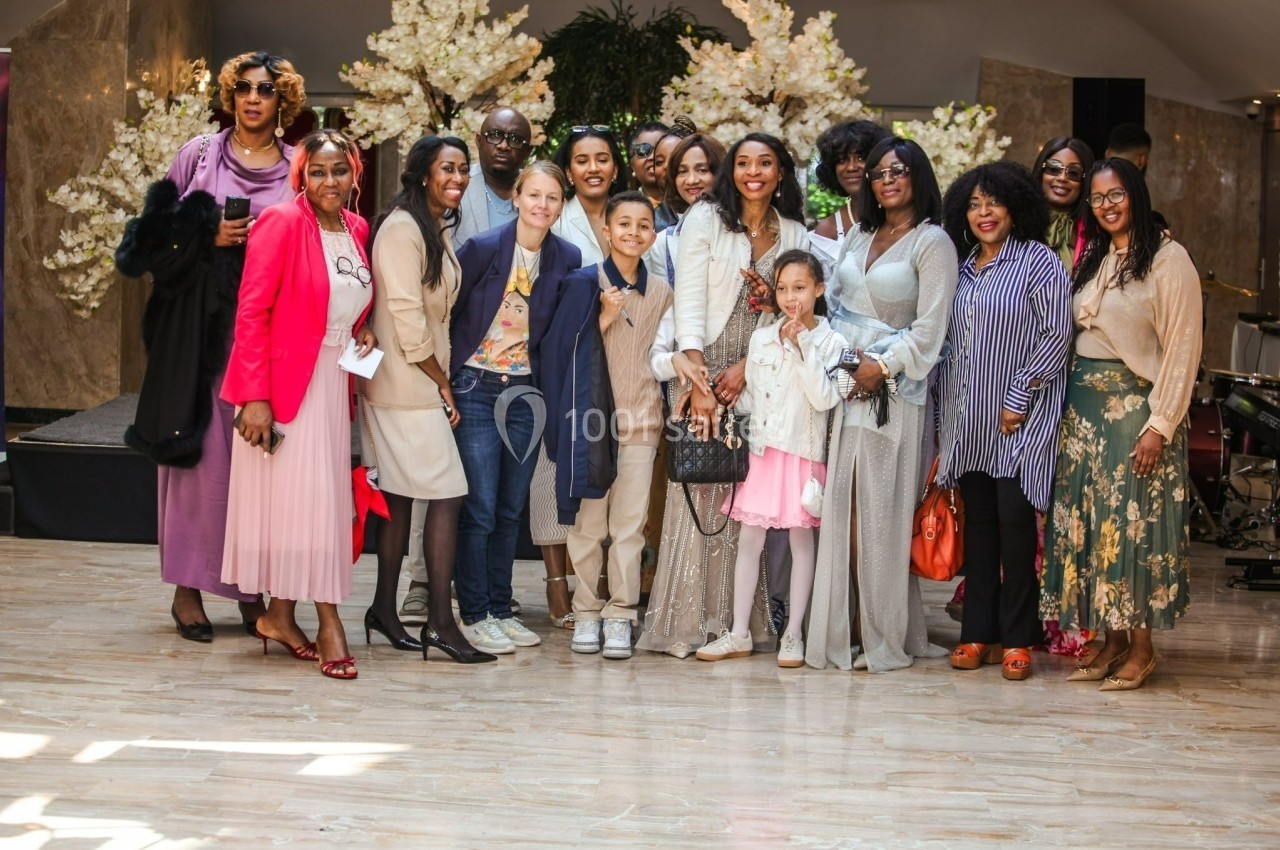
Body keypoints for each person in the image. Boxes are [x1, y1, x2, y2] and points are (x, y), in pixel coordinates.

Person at [118, 50, 304, 642]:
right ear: (230, 96)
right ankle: (188, 589)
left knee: (258, 465)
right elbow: (142, 243)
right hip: (199, 334)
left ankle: (250, 591)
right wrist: (206, 234)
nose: (253, 98)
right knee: (198, 463)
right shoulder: (198, 156)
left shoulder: (299, 167)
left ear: (283, 100)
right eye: (243, 88)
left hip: (270, 334)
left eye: (265, 89)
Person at [636, 132, 811, 659]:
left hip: (758, 372)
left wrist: (746, 370)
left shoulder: (793, 231)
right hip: (702, 363)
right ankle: (686, 622)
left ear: (781, 172)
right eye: (743, 163)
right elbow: (688, 300)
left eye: (765, 163)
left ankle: (737, 623)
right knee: (698, 484)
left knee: (743, 497)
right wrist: (699, 382)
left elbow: (792, 312)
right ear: (731, 170)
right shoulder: (706, 218)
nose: (753, 172)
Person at [220, 129, 376, 680]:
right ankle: (331, 623)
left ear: (355, 173)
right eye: (318, 171)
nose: (330, 181)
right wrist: (253, 397)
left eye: (340, 170)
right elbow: (251, 312)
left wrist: (362, 329)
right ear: (301, 176)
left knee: (314, 504)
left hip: (333, 383)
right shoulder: (281, 222)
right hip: (285, 390)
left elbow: (348, 298)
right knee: (311, 506)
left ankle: (279, 617)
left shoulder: (356, 227)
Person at [1040, 158, 1201, 691]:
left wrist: (1161, 423)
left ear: (1136, 194)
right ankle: (1111, 642)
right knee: (1092, 529)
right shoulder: (1097, 257)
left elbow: (1183, 348)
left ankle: (1142, 649)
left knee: (1134, 528)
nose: (1106, 205)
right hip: (1082, 414)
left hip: (1135, 413)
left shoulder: (1169, 260)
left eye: (1116, 195)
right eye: (1097, 198)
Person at [805, 136, 958, 673]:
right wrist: (839, 358)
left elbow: (931, 328)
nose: (886, 180)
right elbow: (833, 306)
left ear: (918, 176)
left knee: (880, 512)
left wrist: (883, 367)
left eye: (897, 171)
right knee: (843, 508)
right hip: (844, 383)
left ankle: (878, 632)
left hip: (893, 391)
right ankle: (846, 623)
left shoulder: (932, 241)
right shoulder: (859, 234)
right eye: (877, 173)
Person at [360, 135, 496, 664]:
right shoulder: (401, 229)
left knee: (399, 498)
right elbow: (408, 320)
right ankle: (440, 621)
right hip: (404, 384)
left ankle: (383, 609)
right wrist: (441, 382)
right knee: (447, 493)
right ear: (422, 174)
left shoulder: (432, 227)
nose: (458, 178)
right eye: (447, 168)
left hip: (411, 379)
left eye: (463, 169)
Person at [399, 108, 535, 628]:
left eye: (515, 139)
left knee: (487, 494)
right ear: (480, 139)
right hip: (445, 351)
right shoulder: (455, 185)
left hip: (505, 362)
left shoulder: (528, 195)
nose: (504, 144)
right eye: (495, 135)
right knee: (436, 472)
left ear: (527, 149)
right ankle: (422, 581)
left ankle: (478, 588)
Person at [936, 162, 1072, 681]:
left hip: (1020, 420)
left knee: (1015, 526)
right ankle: (978, 633)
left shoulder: (1038, 261)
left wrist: (1019, 395)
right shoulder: (962, 265)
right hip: (968, 420)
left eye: (993, 201)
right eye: (973, 204)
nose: (983, 213)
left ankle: (1017, 637)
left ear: (1015, 206)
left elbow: (1057, 335)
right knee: (980, 528)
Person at [450, 161, 582, 654]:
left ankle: (501, 610)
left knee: (510, 509)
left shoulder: (566, 257)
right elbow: (450, 312)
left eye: (552, 197)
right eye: (534, 195)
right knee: (480, 507)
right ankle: (475, 612)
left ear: (561, 205)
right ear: (517, 198)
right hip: (475, 385)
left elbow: (563, 330)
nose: (542, 205)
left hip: (527, 394)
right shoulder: (482, 248)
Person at [694, 250, 846, 667]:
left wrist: (801, 347)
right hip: (762, 453)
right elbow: (751, 397)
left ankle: (794, 633)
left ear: (819, 289)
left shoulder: (833, 342)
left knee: (801, 541)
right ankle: (739, 632)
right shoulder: (762, 338)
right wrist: (719, 403)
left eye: (800, 288)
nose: (790, 297)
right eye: (782, 289)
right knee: (749, 540)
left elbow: (826, 398)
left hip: (801, 456)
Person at [539, 192, 675, 659]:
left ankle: (621, 614)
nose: (633, 232)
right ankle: (586, 612)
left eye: (643, 225)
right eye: (624, 224)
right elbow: (558, 353)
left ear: (652, 235)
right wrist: (603, 318)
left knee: (630, 528)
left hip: (642, 423)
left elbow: (663, 355)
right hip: (590, 426)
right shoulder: (584, 283)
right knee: (588, 527)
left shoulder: (662, 293)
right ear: (607, 231)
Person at [533, 126, 627, 625]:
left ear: (615, 166)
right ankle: (556, 581)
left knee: (603, 464)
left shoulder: (629, 217)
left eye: (603, 158)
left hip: (618, 358)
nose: (593, 168)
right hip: (561, 354)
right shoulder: (555, 219)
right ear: (568, 171)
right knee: (554, 464)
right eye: (582, 160)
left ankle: (599, 578)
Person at [645, 132, 726, 287]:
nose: (691, 180)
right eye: (682, 171)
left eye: (702, 170)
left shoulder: (743, 227)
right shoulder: (662, 243)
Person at [809, 120, 890, 264]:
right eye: (842, 160)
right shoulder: (828, 230)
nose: (851, 167)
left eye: (861, 158)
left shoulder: (901, 219)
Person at [1032, 136, 1094, 272]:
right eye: (1053, 168)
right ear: (1041, 171)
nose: (1062, 178)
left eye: (1073, 173)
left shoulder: (1095, 232)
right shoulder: (1015, 224)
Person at [651, 116, 698, 230]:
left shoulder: (723, 213)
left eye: (674, 158)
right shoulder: (651, 221)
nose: (666, 166)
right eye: (659, 162)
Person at [629, 120, 671, 206]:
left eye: (660, 149)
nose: (653, 157)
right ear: (632, 165)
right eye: (643, 150)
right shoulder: (625, 208)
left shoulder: (693, 204)